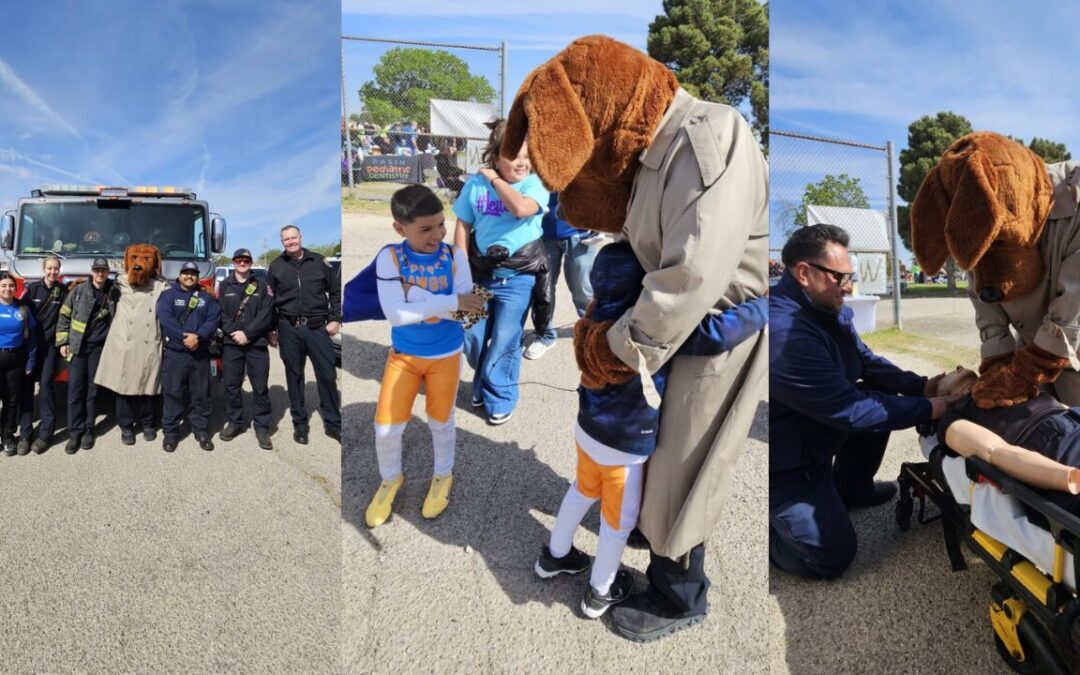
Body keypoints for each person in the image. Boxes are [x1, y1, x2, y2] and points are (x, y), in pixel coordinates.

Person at [769, 224, 952, 579]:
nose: (849, 286)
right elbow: (851, 409)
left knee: (879, 400)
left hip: (815, 434)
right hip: (788, 466)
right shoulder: (783, 334)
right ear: (804, 273)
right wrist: (934, 407)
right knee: (830, 555)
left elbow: (863, 359)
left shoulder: (824, 307)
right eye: (840, 277)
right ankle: (773, 529)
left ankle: (850, 490)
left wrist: (921, 386)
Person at [365, 184, 483, 527]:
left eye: (441, 225)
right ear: (400, 229)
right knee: (386, 427)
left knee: (441, 421)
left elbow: (468, 311)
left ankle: (443, 475)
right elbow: (396, 316)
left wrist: (411, 292)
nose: (438, 235)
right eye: (426, 229)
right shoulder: (389, 256)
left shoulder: (454, 256)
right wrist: (447, 301)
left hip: (446, 355)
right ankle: (390, 479)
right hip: (404, 355)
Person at [452, 119, 549, 425]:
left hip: (517, 278)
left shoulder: (535, 183)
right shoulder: (473, 185)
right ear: (495, 156)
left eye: (526, 156)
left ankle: (500, 396)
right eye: (514, 156)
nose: (522, 163)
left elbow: (520, 208)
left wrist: (495, 180)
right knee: (470, 336)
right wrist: (460, 271)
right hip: (479, 276)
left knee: (506, 339)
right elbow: (463, 225)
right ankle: (482, 382)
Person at [931, 367, 1080, 503]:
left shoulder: (1007, 381)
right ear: (944, 394)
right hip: (1053, 450)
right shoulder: (956, 413)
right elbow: (996, 451)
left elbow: (1063, 408)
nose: (959, 367)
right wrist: (1065, 477)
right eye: (946, 376)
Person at [267, 225, 341, 444]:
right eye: (286, 239)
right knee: (294, 375)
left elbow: (335, 291)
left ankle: (333, 423)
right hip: (288, 328)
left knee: (327, 375)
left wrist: (336, 318)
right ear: (282, 243)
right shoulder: (276, 266)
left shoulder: (319, 262)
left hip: (317, 328)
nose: (290, 242)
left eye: (293, 237)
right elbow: (269, 300)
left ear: (301, 237)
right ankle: (300, 424)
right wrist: (271, 329)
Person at [96, 244, 169, 445]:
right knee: (124, 388)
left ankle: (147, 423)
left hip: (149, 342)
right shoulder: (119, 283)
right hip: (125, 342)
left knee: (149, 387)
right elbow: (97, 288)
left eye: (146, 260)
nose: (139, 265)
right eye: (135, 259)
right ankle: (126, 426)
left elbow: (178, 295)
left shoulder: (161, 286)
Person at [522, 192, 597, 360]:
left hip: (580, 233)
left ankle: (592, 334)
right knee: (543, 290)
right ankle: (545, 335)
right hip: (544, 233)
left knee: (583, 289)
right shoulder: (535, 168)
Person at [157, 261, 220, 452]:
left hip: (200, 353)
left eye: (193, 274)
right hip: (176, 353)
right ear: (180, 275)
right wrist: (187, 339)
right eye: (186, 273)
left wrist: (198, 337)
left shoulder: (206, 297)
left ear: (197, 276)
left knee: (200, 393)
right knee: (172, 392)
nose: (189, 277)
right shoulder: (168, 296)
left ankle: (201, 431)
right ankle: (170, 432)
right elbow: (167, 321)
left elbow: (213, 319)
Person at [55, 258, 115, 454]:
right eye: (97, 270)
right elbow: (64, 316)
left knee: (92, 392)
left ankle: (88, 430)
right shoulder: (78, 291)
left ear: (107, 272)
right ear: (91, 271)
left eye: (103, 271)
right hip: (77, 348)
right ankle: (75, 432)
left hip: (99, 349)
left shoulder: (114, 293)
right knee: (74, 391)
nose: (100, 274)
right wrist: (63, 342)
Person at [218, 248, 275, 450]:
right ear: (234, 262)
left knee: (260, 388)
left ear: (250, 263)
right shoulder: (224, 286)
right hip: (232, 344)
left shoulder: (262, 284)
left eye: (246, 261)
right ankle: (235, 422)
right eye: (239, 260)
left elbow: (267, 313)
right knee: (231, 386)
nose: (242, 263)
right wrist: (235, 333)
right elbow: (221, 314)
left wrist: (248, 334)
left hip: (256, 344)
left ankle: (262, 427)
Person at [18, 256, 68, 453]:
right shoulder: (31, 290)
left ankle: (46, 435)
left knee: (46, 387)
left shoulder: (63, 292)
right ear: (43, 269)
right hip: (30, 348)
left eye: (56, 269)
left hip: (50, 348)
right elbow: (18, 310)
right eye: (50, 268)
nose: (53, 272)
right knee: (27, 388)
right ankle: (25, 435)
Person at [0, 274, 35, 456]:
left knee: (11, 400)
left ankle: (7, 437)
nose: (7, 289)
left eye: (11, 286)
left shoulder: (23, 309)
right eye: (4, 285)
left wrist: (30, 360)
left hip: (17, 358)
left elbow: (30, 339)